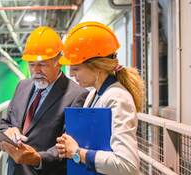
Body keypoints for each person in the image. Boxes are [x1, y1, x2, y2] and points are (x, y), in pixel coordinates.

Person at [55, 21, 144, 174]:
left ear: (96, 66)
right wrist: (69, 145)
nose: (70, 74)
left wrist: (77, 152)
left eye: (76, 68)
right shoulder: (93, 94)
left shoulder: (118, 98)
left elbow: (127, 165)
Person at [0, 26, 88, 175]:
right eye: (32, 64)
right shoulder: (22, 86)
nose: (36, 70)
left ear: (58, 62)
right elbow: (5, 123)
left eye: (42, 64)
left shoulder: (77, 96)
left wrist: (37, 159)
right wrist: (9, 130)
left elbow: (67, 146)